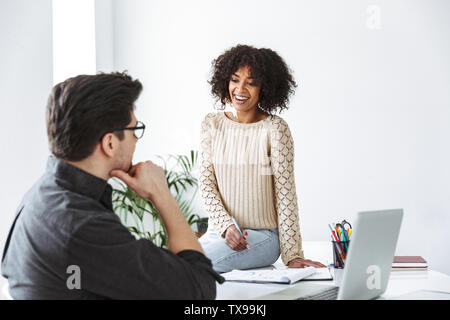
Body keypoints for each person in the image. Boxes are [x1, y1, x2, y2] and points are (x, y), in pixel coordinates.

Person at [1, 72, 224, 299]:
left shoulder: (39, 196)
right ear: (109, 143)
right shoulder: (83, 225)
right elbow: (200, 288)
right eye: (134, 131)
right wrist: (162, 194)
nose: (136, 140)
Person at [198, 45, 326, 273]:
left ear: (264, 88)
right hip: (218, 233)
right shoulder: (212, 124)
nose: (240, 89)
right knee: (176, 260)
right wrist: (227, 227)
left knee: (191, 265)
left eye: (251, 82)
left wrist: (293, 254)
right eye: (235, 80)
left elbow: (285, 193)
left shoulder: (275, 129)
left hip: (261, 237)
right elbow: (206, 184)